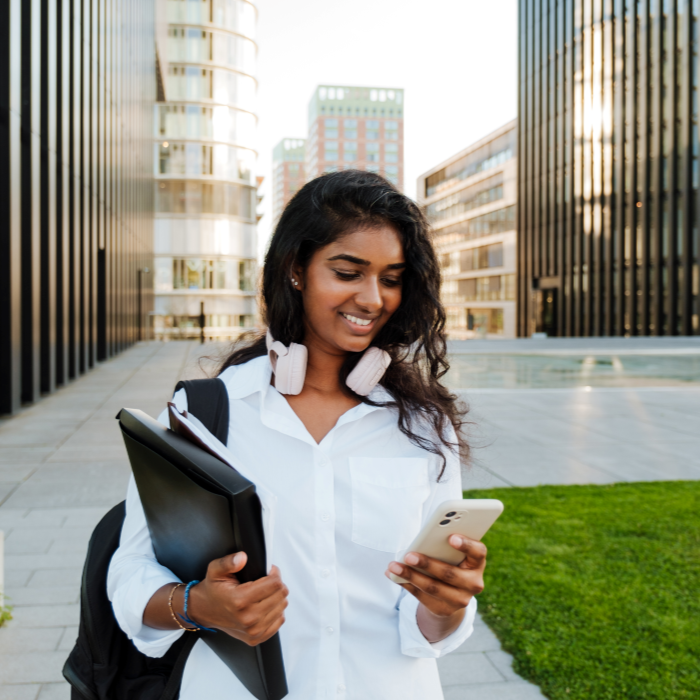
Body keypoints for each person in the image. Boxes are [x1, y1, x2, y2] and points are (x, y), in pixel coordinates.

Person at [108, 170, 487, 699]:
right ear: (295, 270)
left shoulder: (423, 426)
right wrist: (199, 605)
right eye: (348, 272)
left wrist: (447, 606)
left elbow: (425, 630)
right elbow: (129, 574)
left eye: (392, 278)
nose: (373, 298)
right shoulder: (206, 412)